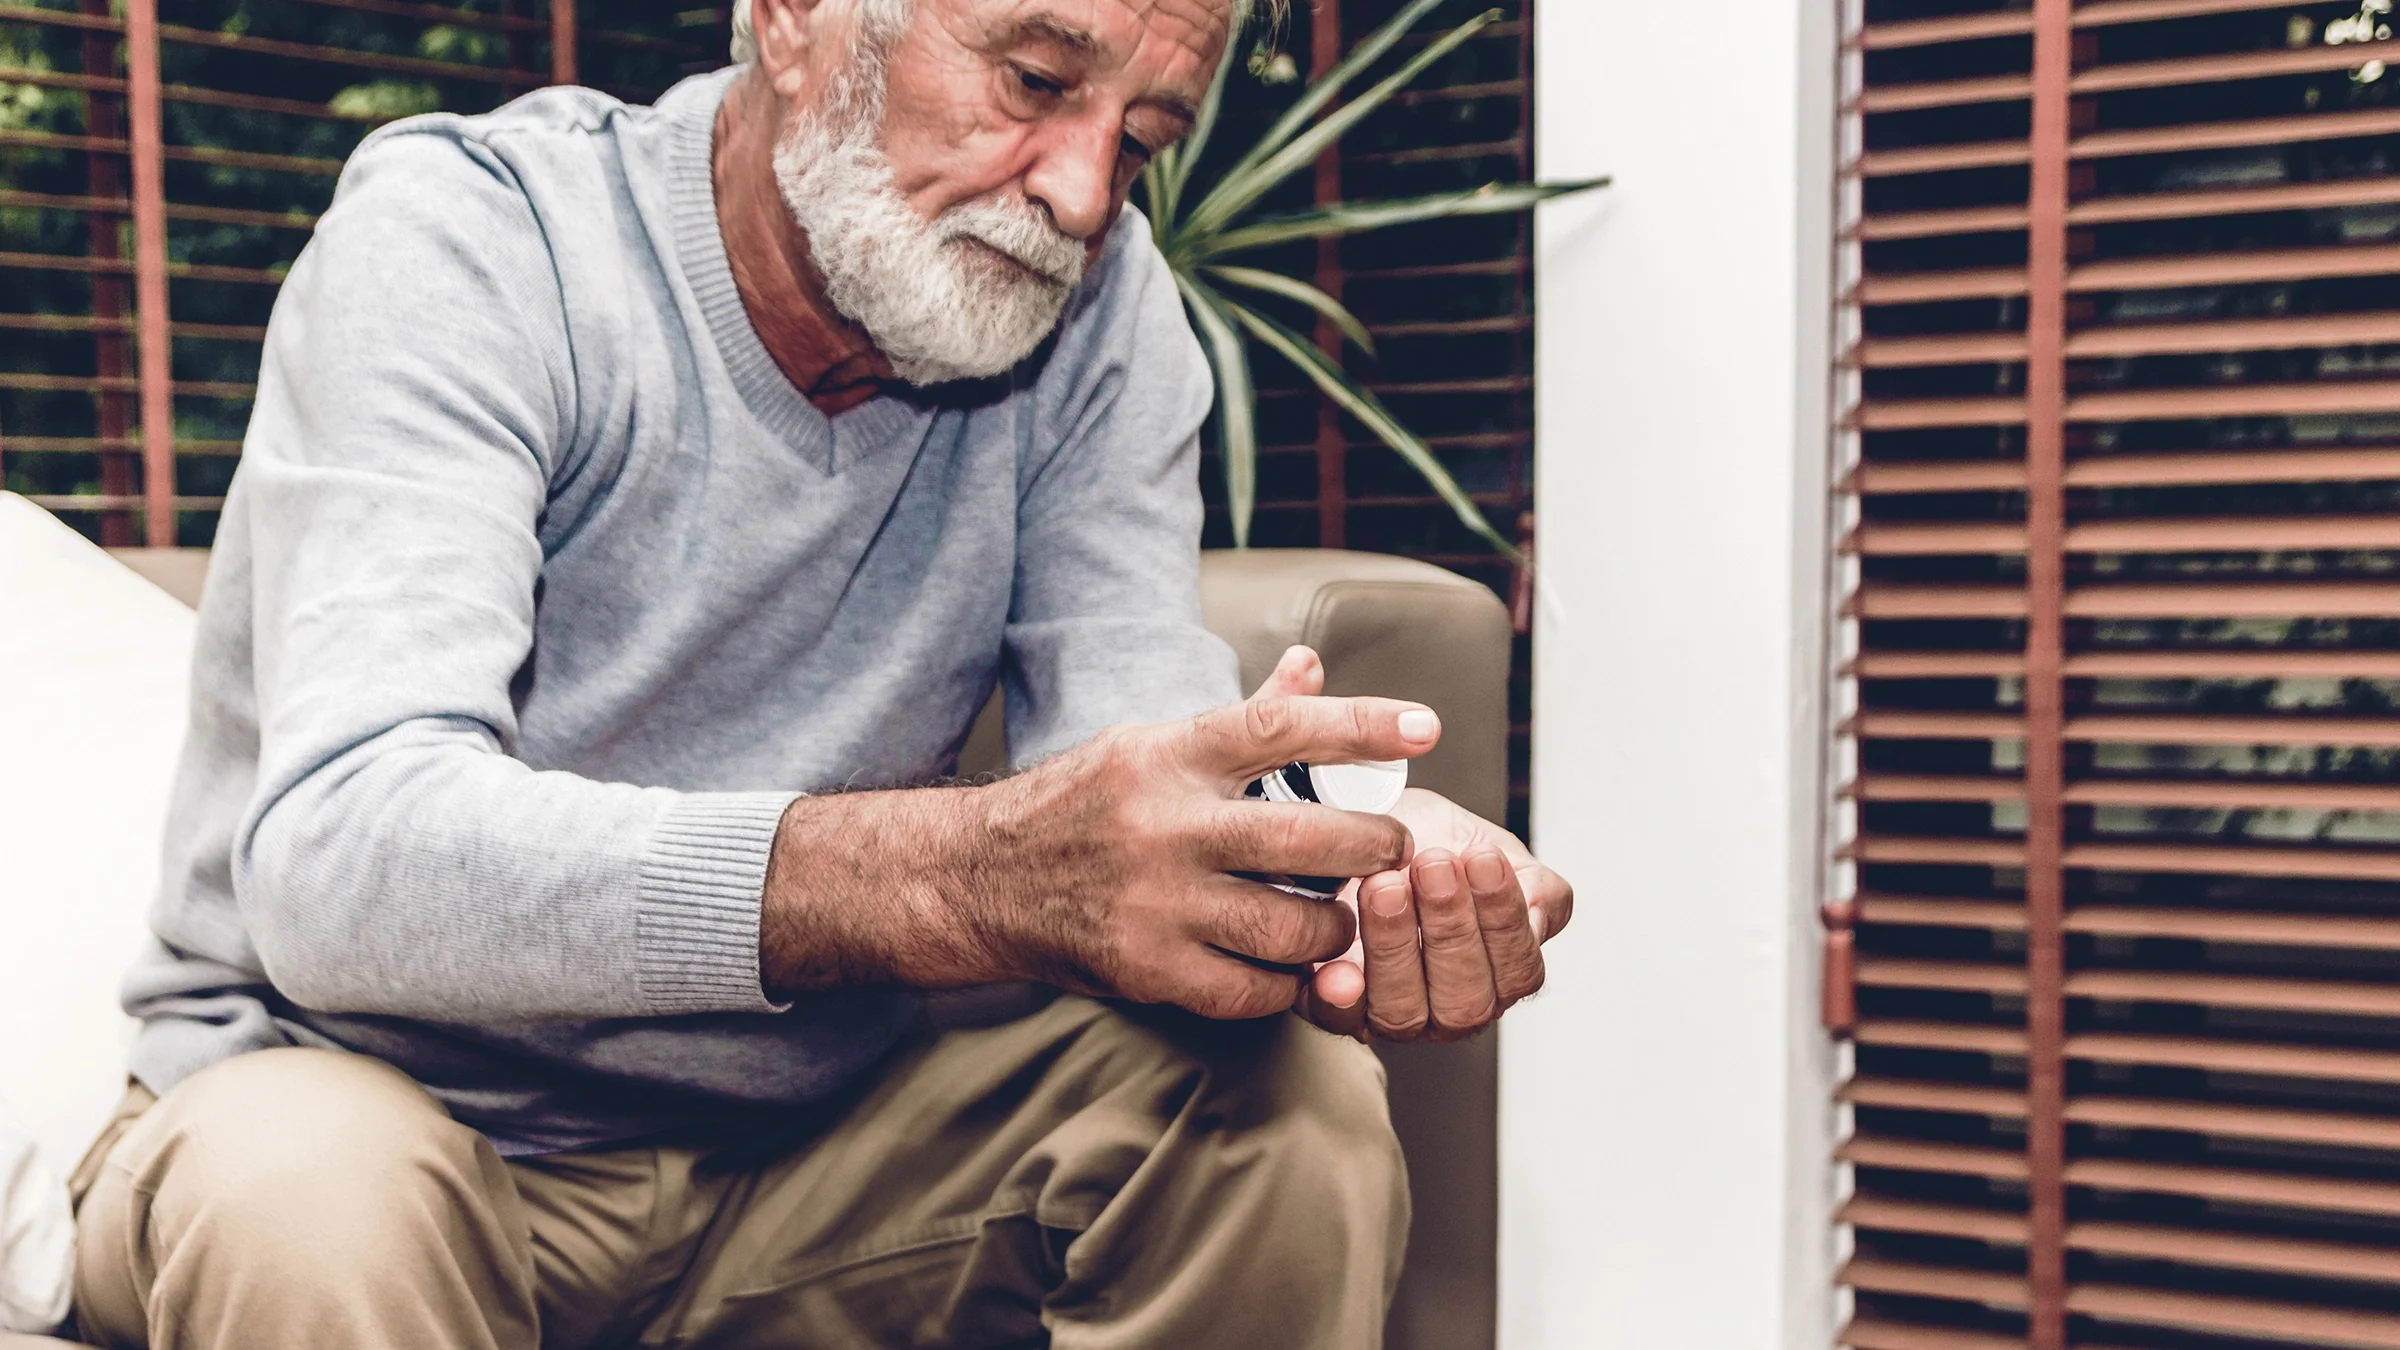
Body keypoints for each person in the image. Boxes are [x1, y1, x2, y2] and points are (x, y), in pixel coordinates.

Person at [68, 0, 1574, 1345]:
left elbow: (1141, 771)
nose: (1080, 192)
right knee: (319, 1200)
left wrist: (1346, 873)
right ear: (792, 21)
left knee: (1286, 1121)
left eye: (1147, 138)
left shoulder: (1102, 324)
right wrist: (956, 872)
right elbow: (347, 862)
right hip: (372, 1112)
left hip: (804, 1162)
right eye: (1038, 77)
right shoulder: (480, 240)